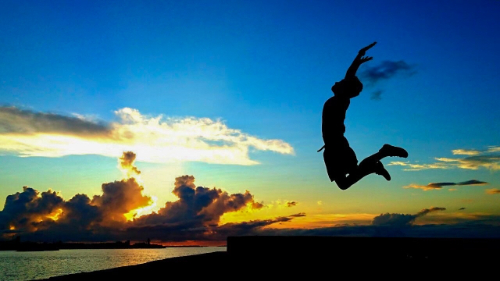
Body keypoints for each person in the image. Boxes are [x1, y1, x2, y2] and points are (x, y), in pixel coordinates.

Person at [319, 42, 408, 190]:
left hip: (337, 146)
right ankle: (377, 162)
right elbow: (349, 77)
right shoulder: (339, 99)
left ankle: (382, 155)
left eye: (341, 82)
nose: (336, 81)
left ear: (345, 89)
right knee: (344, 184)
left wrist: (358, 58)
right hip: (331, 147)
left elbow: (349, 75)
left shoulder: (341, 100)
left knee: (348, 180)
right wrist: (358, 57)